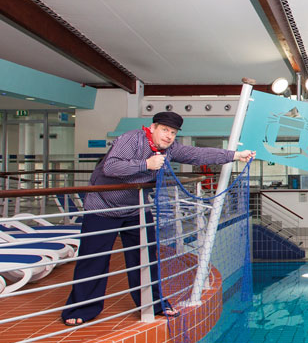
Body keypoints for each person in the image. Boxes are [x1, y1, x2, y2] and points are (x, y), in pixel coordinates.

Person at [62, 111, 255, 326]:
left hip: (136, 209)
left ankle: (153, 304)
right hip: (102, 208)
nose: (168, 136)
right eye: (165, 130)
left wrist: (236, 155)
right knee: (93, 259)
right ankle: (82, 308)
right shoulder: (131, 139)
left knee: (145, 260)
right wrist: (146, 164)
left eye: (172, 133)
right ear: (153, 128)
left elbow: (198, 155)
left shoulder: (170, 149)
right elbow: (111, 166)